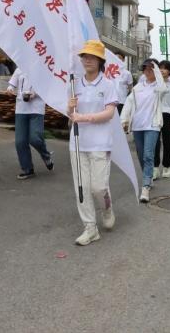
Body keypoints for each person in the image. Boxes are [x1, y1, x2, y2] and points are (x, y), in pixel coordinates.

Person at [67, 40, 118, 246]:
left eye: (92, 57)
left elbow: (109, 113)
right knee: (82, 187)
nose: (87, 60)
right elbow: (71, 115)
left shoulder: (107, 85)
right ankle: (90, 228)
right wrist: (70, 108)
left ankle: (107, 207)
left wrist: (85, 118)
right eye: (84, 57)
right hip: (78, 143)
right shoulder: (74, 85)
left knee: (98, 187)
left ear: (100, 60)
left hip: (100, 143)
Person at [121, 58, 166, 203]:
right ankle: (149, 176)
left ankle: (145, 186)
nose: (148, 71)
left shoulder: (159, 87)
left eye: (151, 68)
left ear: (155, 70)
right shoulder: (138, 87)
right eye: (145, 68)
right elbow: (128, 103)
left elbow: (163, 87)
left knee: (148, 155)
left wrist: (156, 68)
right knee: (141, 155)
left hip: (152, 125)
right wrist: (123, 120)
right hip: (138, 125)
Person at [7, 68, 54, 180]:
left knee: (35, 138)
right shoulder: (19, 69)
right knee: (20, 142)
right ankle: (27, 169)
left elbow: (47, 89)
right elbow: (11, 85)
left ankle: (46, 156)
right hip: (21, 109)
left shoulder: (42, 69)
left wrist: (35, 94)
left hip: (36, 109)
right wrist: (10, 89)